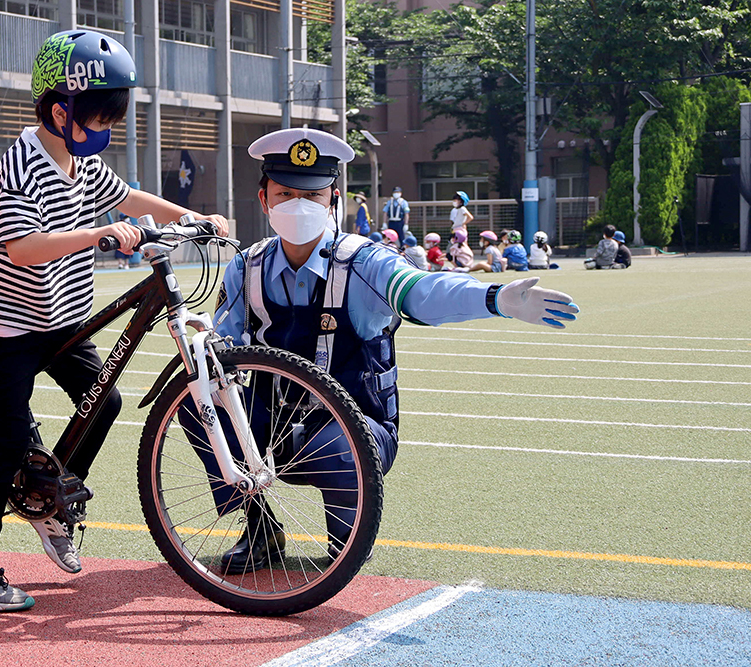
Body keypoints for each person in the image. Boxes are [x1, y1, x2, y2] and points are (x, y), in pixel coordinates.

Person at [0, 30, 229, 613]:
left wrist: (196, 215)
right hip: (8, 324)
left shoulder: (83, 160)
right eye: (100, 114)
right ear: (59, 109)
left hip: (59, 317)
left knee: (108, 400)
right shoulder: (20, 164)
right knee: (8, 441)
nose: (107, 126)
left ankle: (49, 499)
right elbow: (22, 247)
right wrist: (99, 233)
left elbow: (133, 198)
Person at [205, 127, 579, 573]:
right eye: (284, 194)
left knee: (337, 448)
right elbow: (222, 351)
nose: (297, 205)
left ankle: (345, 539)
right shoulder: (248, 267)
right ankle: (260, 528)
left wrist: (495, 298)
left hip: (355, 427)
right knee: (199, 402)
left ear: (334, 202)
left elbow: (421, 291)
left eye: (313, 196)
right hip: (273, 421)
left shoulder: (363, 261)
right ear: (263, 200)